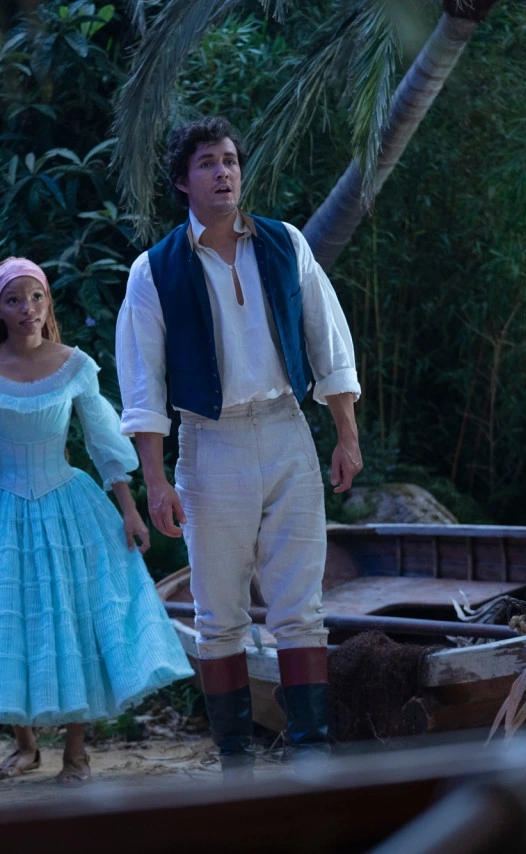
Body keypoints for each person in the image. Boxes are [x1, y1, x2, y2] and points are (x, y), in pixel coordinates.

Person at [115, 116, 363, 778]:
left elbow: (327, 339)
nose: (223, 172)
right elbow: (142, 383)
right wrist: (155, 481)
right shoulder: (154, 270)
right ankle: (235, 764)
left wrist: (345, 433)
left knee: (300, 607)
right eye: (207, 163)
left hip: (286, 430)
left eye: (229, 160)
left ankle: (312, 758)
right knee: (219, 613)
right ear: (182, 181)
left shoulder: (284, 243)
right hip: (210, 442)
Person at [0, 256, 194, 787]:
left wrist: (130, 510)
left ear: (47, 301)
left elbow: (103, 442)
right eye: (14, 299)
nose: (27, 308)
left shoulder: (75, 365)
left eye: (36, 297)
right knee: (9, 618)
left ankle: (76, 753)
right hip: (0, 509)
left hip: (68, 505)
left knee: (76, 618)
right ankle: (26, 746)